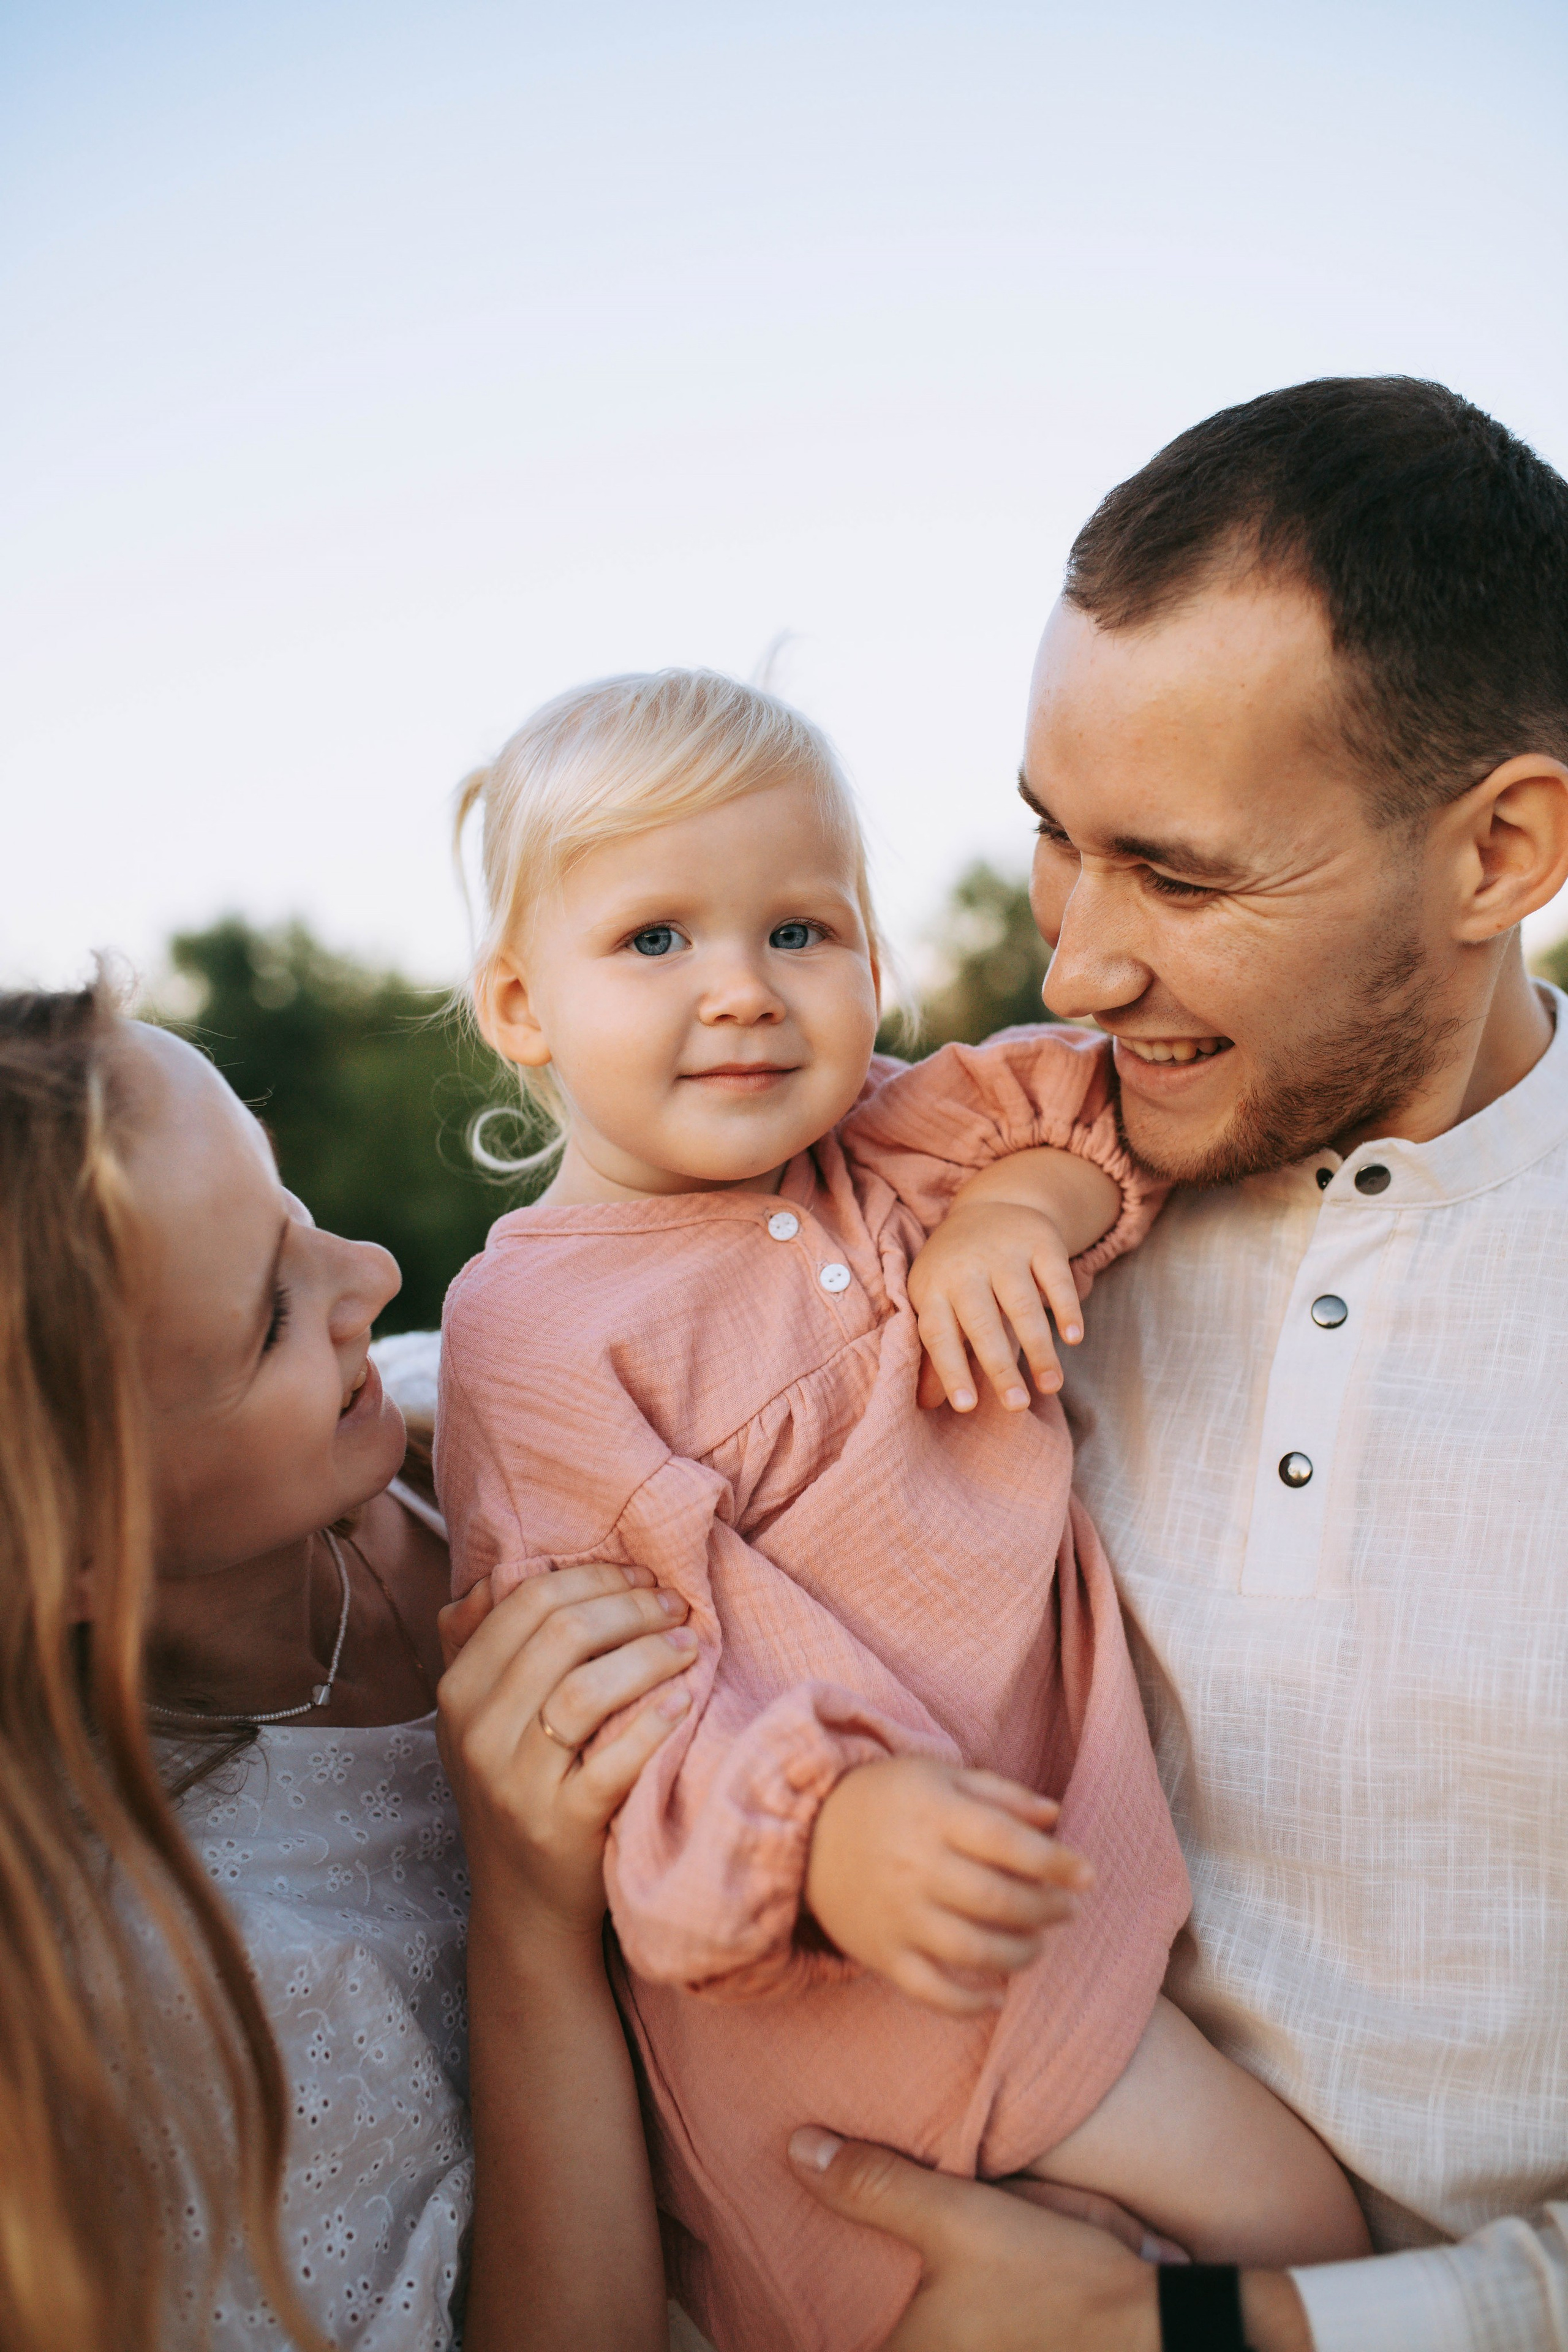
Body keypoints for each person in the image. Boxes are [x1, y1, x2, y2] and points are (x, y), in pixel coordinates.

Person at [436, 671, 1367, 2351]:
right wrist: (821, 1832)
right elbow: (609, 1697)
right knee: (1297, 2228)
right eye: (656, 942)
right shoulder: (535, 1336)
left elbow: (1097, 1095)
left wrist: (1024, 1205)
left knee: (1253, 2248)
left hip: (1026, 1894)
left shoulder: (904, 1146)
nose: (742, 992)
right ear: (520, 1003)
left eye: (803, 931)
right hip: (836, 1966)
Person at [784, 375, 1568, 2352]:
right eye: (1055, 842)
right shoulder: (998, 1189)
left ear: (1505, 852)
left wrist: (1221, 2338)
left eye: (1181, 876)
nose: (1075, 966)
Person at [0, 978, 704, 2352]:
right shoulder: (195, 1976)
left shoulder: (470, 1404)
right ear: (74, 1548)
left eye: (295, 1207)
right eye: (272, 1316)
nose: (374, 1272)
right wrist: (523, 1920)